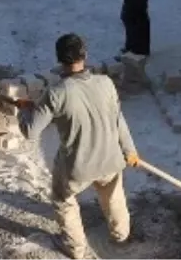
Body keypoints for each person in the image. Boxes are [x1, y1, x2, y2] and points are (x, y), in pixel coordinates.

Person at [20, 33, 139, 260]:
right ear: (85, 55)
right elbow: (118, 119)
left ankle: (74, 247)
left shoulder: (56, 94)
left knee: (62, 199)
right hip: (111, 158)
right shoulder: (105, 83)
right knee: (114, 196)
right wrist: (129, 150)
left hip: (78, 166)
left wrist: (25, 109)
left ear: (59, 60)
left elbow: (31, 131)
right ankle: (121, 235)